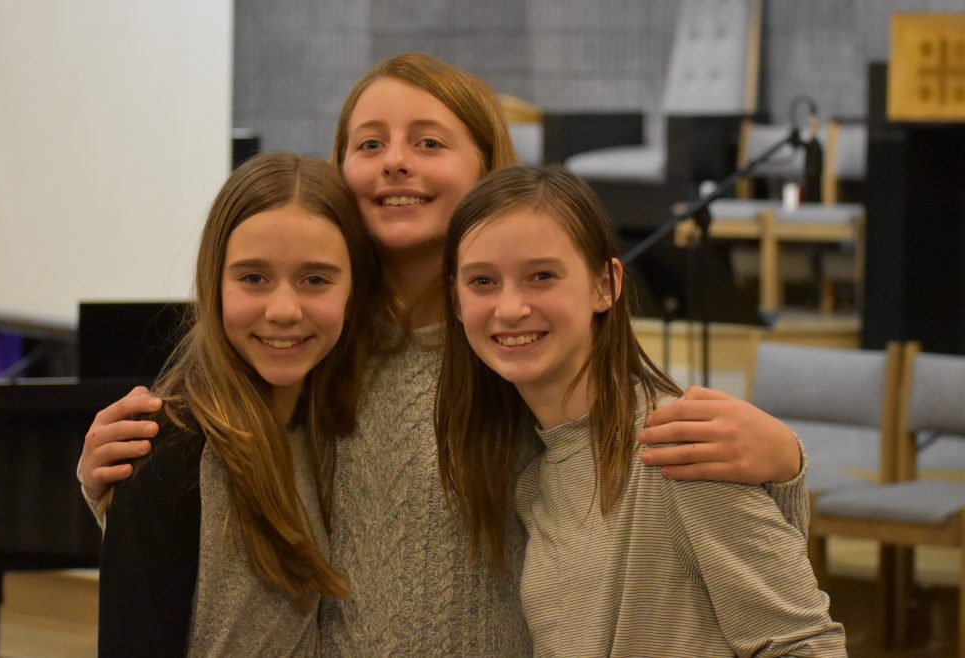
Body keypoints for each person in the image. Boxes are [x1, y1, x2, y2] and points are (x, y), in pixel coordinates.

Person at [82, 53, 809, 656]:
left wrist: (784, 463)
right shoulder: (314, 342)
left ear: (488, 168)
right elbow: (240, 549)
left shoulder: (519, 348)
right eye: (370, 145)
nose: (396, 163)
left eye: (429, 143)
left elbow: (667, 509)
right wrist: (127, 495)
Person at [436, 164, 846, 657]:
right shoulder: (532, 480)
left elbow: (807, 646)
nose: (510, 308)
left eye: (541, 276)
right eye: (483, 281)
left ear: (605, 285)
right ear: (456, 302)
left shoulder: (677, 445)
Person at [98, 152, 377, 657]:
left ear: (354, 290)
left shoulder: (332, 429)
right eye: (253, 278)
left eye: (316, 279)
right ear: (215, 283)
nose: (284, 310)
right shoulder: (169, 454)